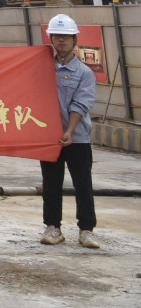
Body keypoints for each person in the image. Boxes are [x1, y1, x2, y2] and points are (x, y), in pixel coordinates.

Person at [41, 13, 99, 248]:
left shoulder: (84, 73)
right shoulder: (42, 68)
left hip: (78, 138)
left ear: (75, 40)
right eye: (57, 36)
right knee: (51, 183)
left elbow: (81, 104)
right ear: (51, 39)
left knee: (82, 183)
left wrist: (70, 131)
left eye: (66, 36)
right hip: (50, 139)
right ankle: (53, 227)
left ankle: (86, 229)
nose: (61, 40)